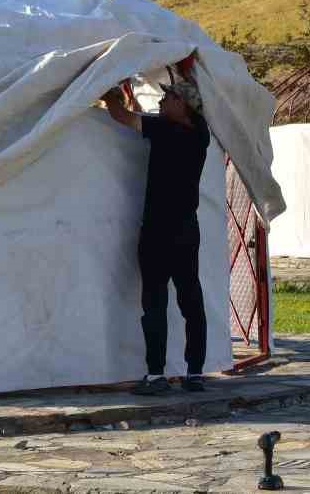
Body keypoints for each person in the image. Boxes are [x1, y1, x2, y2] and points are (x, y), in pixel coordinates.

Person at [101, 71, 210, 395]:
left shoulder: (165, 130)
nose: (162, 100)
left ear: (183, 105)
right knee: (191, 301)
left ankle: (156, 375)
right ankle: (195, 373)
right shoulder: (200, 133)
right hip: (187, 231)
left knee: (155, 303)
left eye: (168, 97)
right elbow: (144, 117)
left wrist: (109, 97)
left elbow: (122, 117)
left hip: (158, 232)